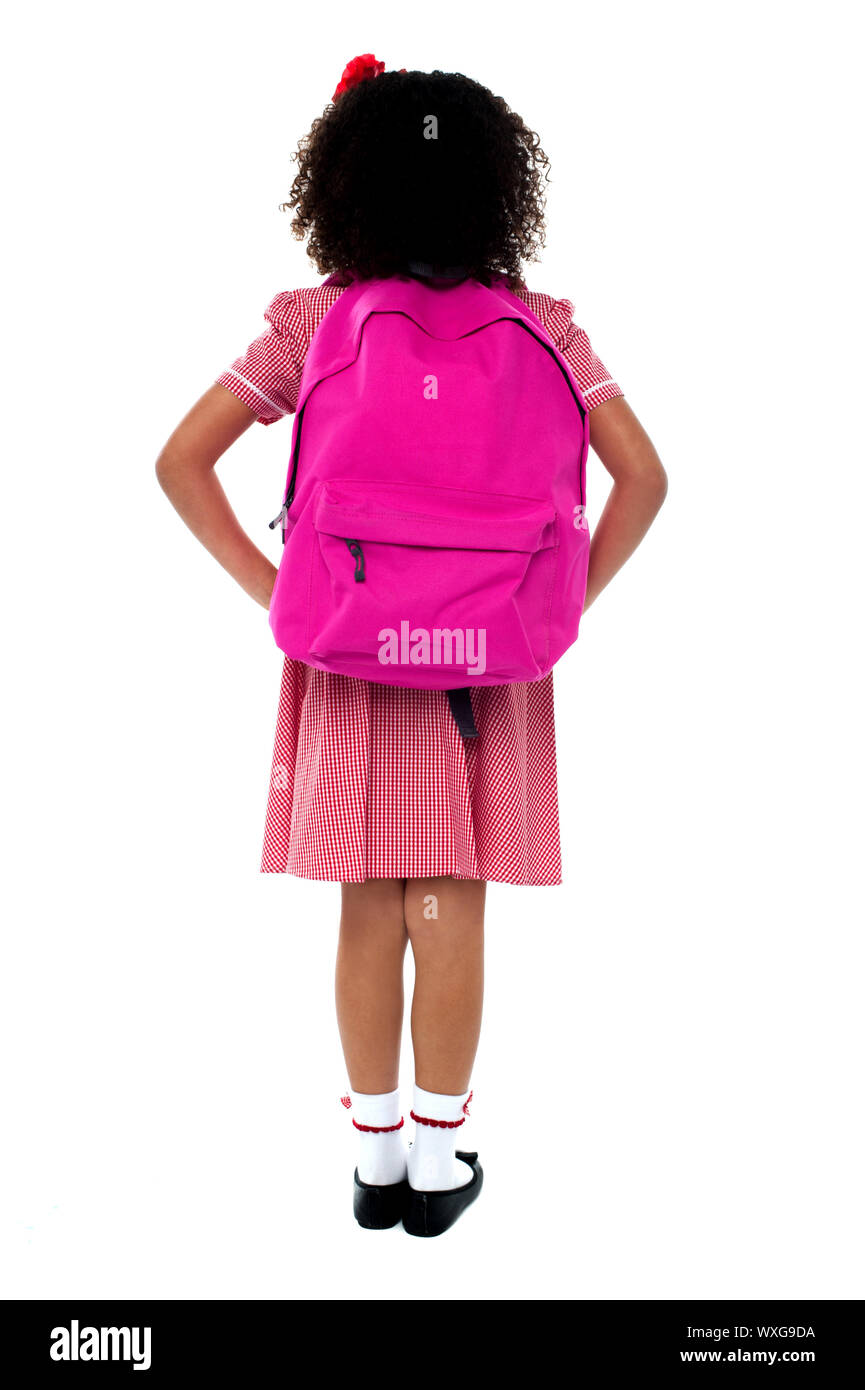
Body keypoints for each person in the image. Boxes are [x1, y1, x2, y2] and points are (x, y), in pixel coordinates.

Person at [156, 56, 668, 1237]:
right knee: (450, 899)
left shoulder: (313, 318)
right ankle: (441, 1170)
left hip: (349, 641)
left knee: (370, 902)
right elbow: (644, 475)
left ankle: (373, 1157)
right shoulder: (544, 326)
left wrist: (274, 591)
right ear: (499, 187)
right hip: (487, 656)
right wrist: (562, 601)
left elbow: (179, 460)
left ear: (341, 184)